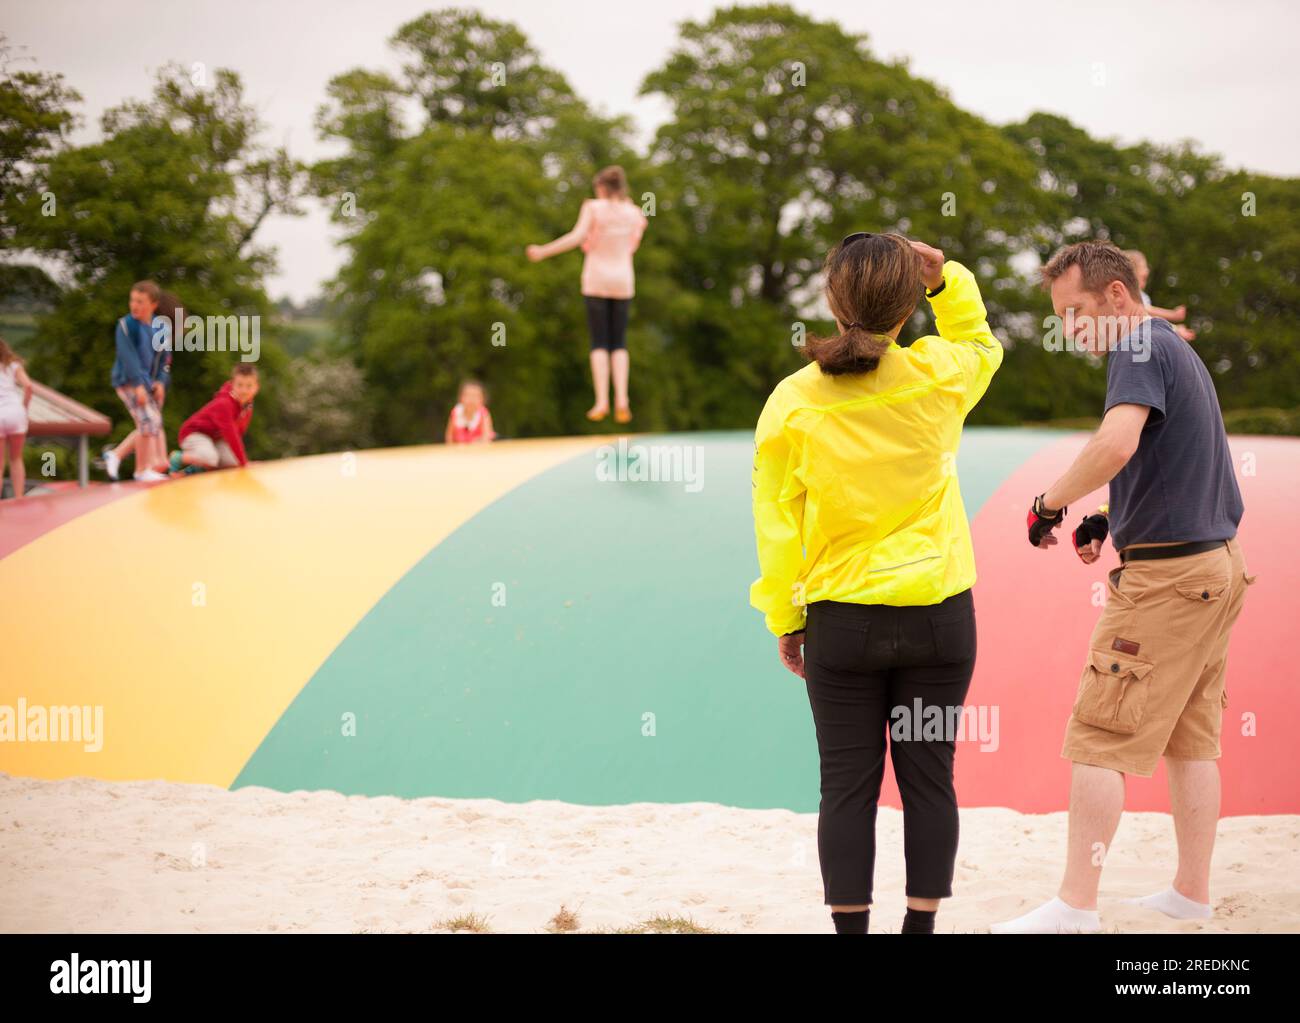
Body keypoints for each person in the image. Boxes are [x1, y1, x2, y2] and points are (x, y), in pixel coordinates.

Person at [750, 233, 1004, 935]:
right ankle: (919, 929)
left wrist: (785, 615)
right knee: (929, 780)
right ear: (906, 307)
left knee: (846, 786)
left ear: (833, 302)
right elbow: (982, 343)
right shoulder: (939, 376)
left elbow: (777, 527)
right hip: (938, 617)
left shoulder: (792, 401)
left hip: (843, 622)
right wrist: (947, 278)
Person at [999, 240, 1250, 934]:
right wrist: (1110, 516)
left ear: (1115, 296)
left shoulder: (1136, 349)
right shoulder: (1172, 347)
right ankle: (1191, 894)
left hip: (1169, 582)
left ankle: (1075, 906)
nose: (1068, 328)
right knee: (1191, 738)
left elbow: (1116, 444)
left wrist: (1048, 503)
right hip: (1217, 565)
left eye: (1074, 312)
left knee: (1098, 733)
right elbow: (1175, 457)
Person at [526, 165, 648, 424]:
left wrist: (543, 251)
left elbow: (576, 237)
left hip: (596, 279)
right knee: (619, 342)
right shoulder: (635, 213)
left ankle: (602, 400)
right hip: (623, 280)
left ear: (601, 188)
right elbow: (632, 247)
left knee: (599, 342)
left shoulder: (593, 208)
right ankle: (622, 399)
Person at [106, 290, 180, 475]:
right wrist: (138, 385)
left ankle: (117, 455)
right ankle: (143, 470)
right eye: (132, 300)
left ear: (153, 304)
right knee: (148, 421)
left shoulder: (160, 328)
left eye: (140, 301)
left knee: (152, 422)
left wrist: (161, 383)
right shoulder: (127, 325)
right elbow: (127, 356)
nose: (134, 305)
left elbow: (165, 361)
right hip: (128, 381)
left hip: (150, 384)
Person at [168, 364, 258, 474]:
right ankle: (177, 457)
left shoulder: (247, 404)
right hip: (194, 433)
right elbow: (231, 435)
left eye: (249, 386)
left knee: (232, 462)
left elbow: (239, 431)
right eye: (240, 385)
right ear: (233, 385)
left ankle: (195, 469)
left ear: (256, 387)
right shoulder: (225, 404)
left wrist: (240, 461)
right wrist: (245, 463)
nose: (244, 390)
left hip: (214, 438)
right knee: (211, 459)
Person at [1124, 249, 1195, 342]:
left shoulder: (1143, 296)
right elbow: (1146, 311)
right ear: (1132, 273)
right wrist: (1173, 316)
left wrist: (1174, 328)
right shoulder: (1130, 296)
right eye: (1144, 266)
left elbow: (1150, 318)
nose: (1147, 269)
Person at [0, 338, 33, 500]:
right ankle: (19, 497)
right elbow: (28, 386)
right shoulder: (14, 365)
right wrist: (24, 409)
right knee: (16, 458)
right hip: (15, 412)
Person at [444, 380, 496, 444]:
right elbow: (449, 436)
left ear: (482, 399)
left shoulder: (483, 414)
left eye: (475, 396)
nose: (471, 399)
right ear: (460, 398)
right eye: (468, 395)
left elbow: (487, 436)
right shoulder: (456, 412)